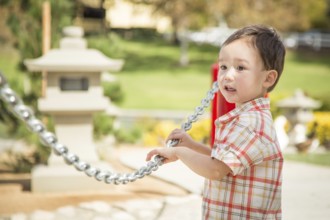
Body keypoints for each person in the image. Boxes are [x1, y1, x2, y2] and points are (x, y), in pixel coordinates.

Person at [146, 24, 286, 220]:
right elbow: (223, 161)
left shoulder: (251, 123)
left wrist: (179, 152)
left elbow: (215, 169)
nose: (228, 75)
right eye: (223, 66)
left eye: (240, 67)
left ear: (268, 78)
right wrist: (193, 146)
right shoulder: (244, 118)